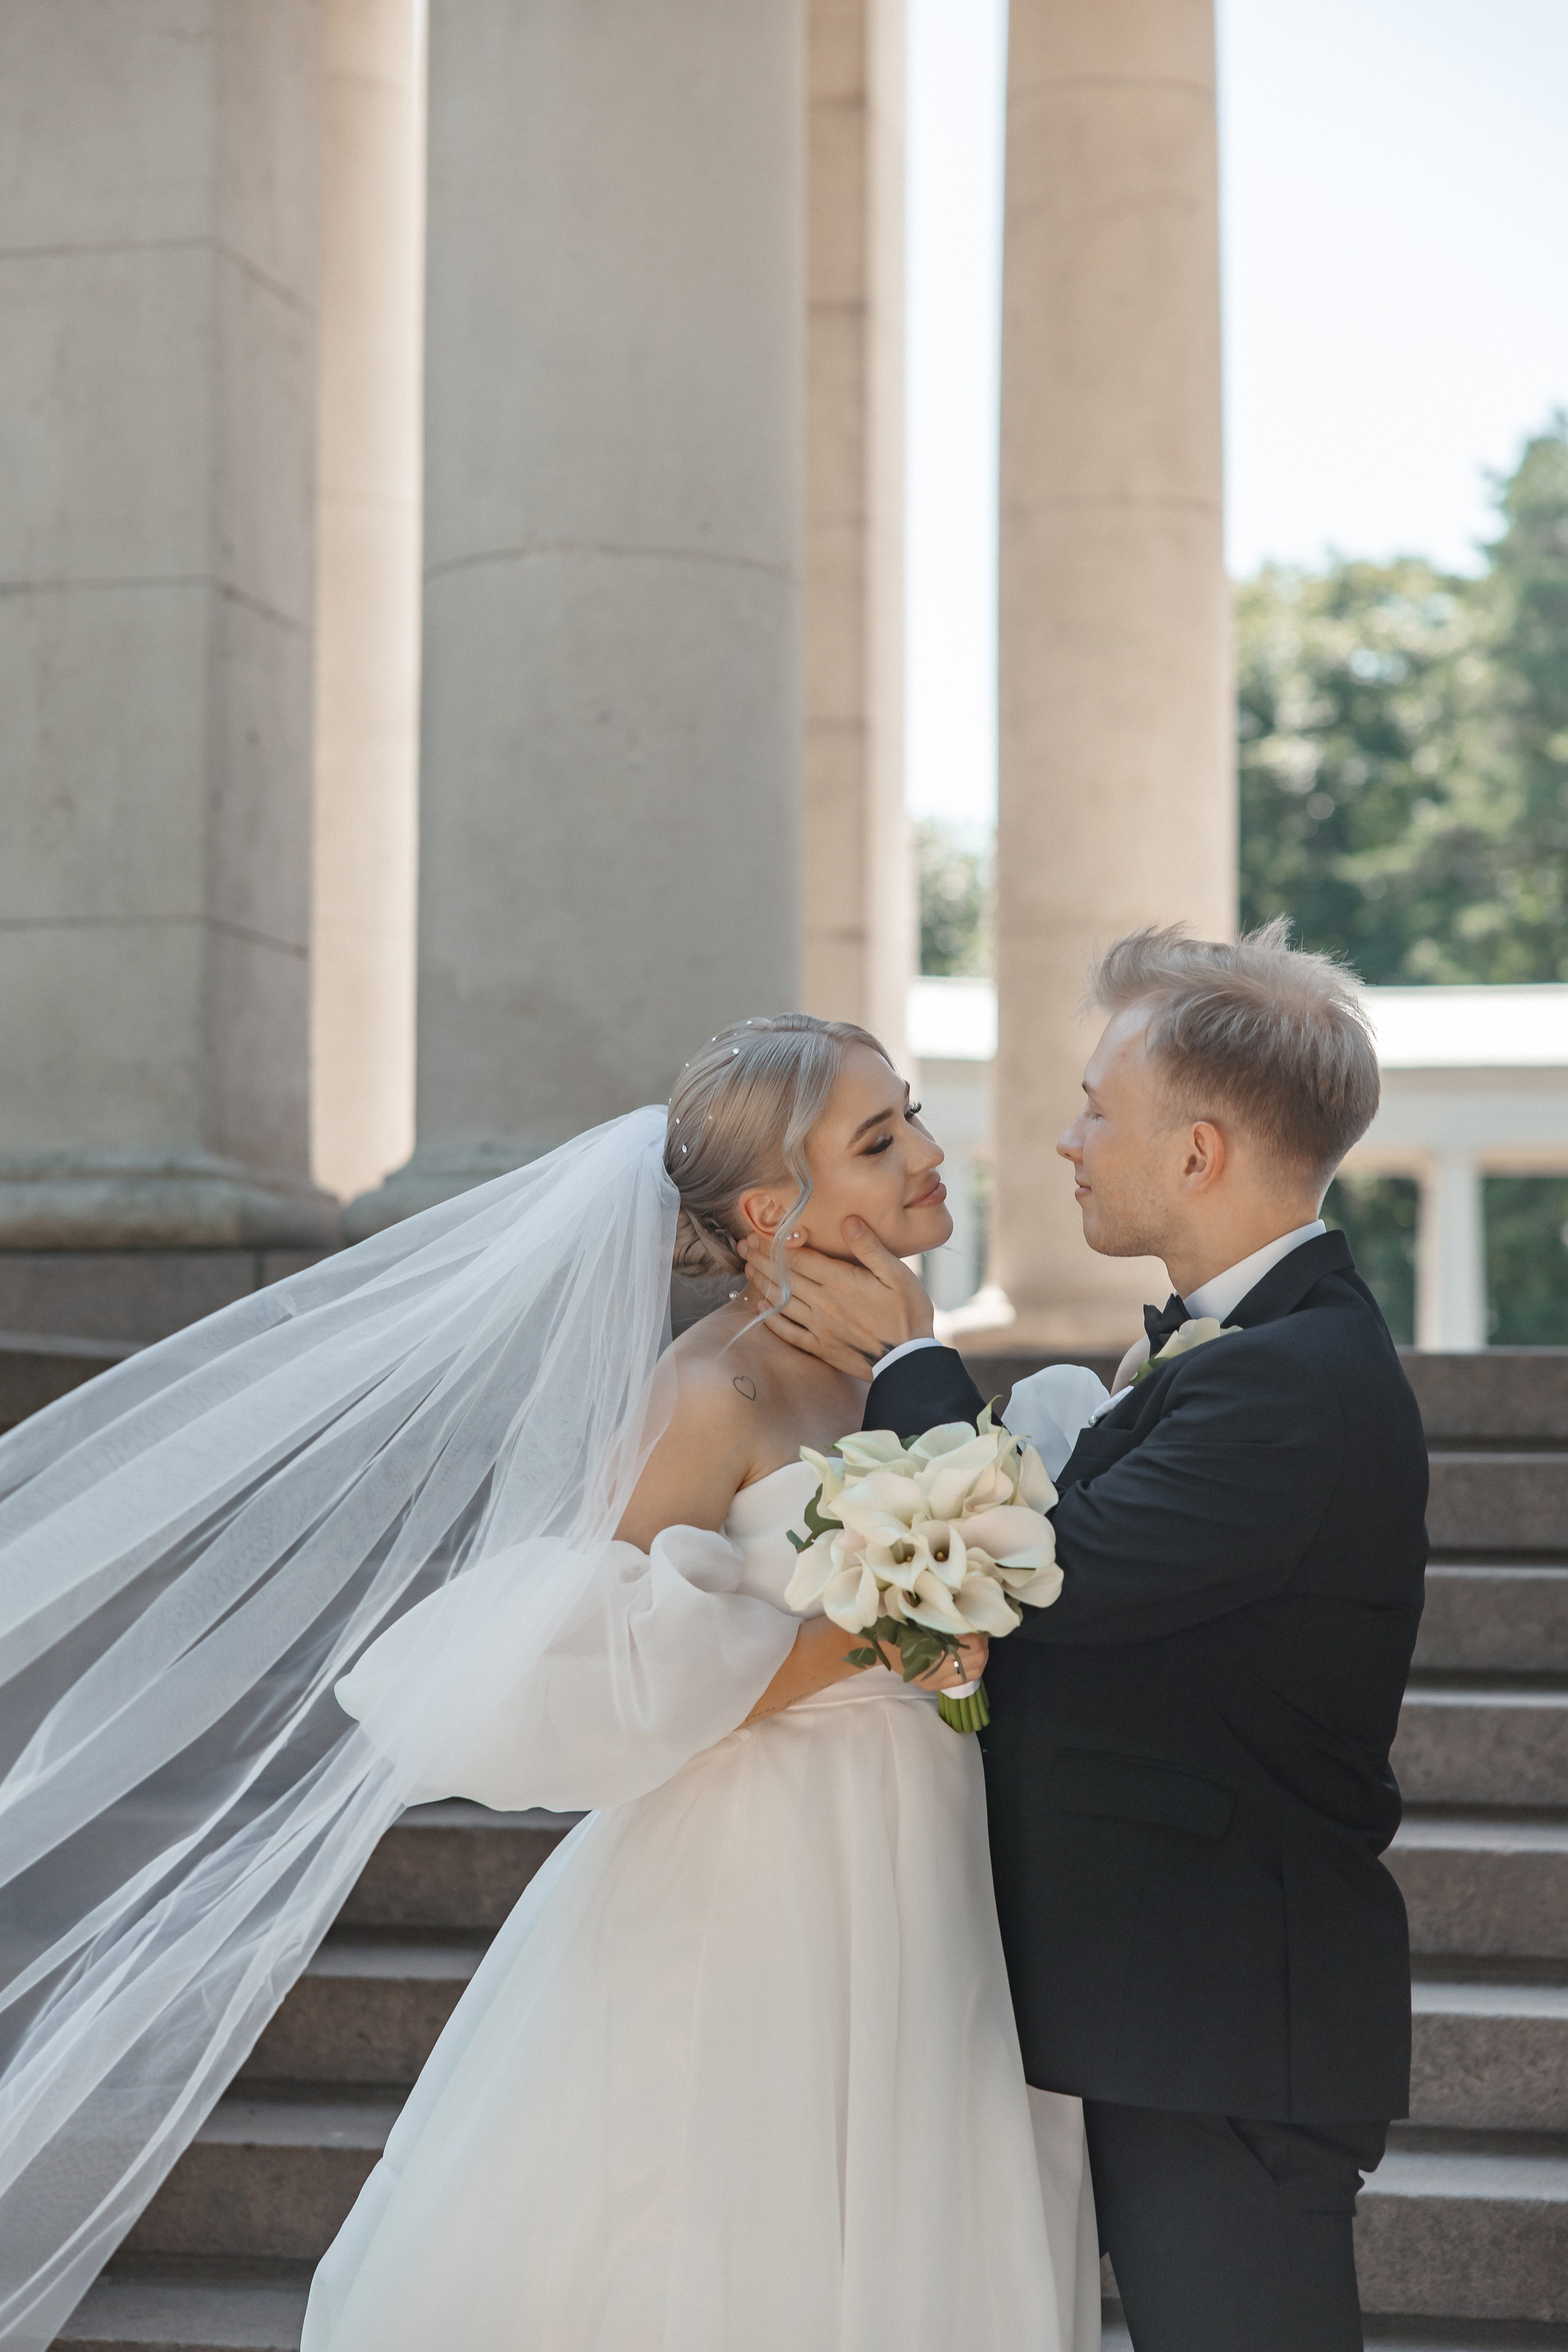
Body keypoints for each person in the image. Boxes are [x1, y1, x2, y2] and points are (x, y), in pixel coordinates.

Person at [299, 1014, 1101, 2351]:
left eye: (908, 1116)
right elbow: (602, 1658)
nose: (926, 1151)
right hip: (763, 1869)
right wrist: (885, 1626)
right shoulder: (710, 1391)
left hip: (935, 1848)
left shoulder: (908, 1368)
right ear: (770, 1206)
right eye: (879, 1135)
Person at [741, 925, 1430, 2352]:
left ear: (1193, 1154)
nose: (1062, 1141)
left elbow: (1039, 1581)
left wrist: (907, 1360)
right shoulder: (1255, 1351)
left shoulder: (1292, 1384)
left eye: (1095, 1110)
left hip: (1225, 2017)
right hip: (1171, 2003)